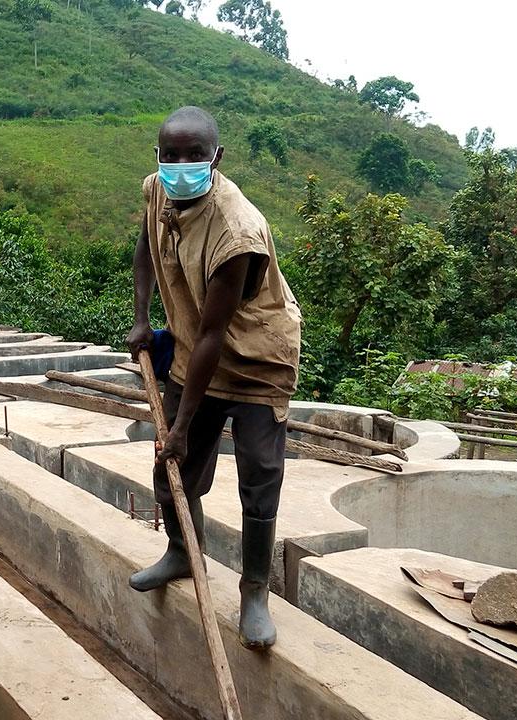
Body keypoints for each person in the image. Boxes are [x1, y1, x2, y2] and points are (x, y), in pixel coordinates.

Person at [125, 106, 301, 650]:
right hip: (190, 350)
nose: (180, 166)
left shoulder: (238, 230)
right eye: (170, 155)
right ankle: (182, 552)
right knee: (173, 470)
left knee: (259, 477)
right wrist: (141, 319)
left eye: (193, 156)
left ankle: (254, 593)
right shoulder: (158, 190)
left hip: (254, 360)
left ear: (215, 158)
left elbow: (213, 334)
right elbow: (143, 258)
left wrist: (180, 424)